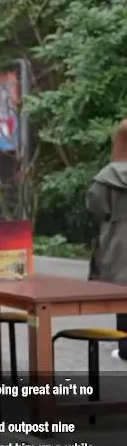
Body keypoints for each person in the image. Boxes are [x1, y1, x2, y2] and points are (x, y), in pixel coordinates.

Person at [86, 118, 127, 361]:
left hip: (119, 245)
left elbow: (96, 206)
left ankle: (125, 347)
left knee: (123, 297)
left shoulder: (108, 176)